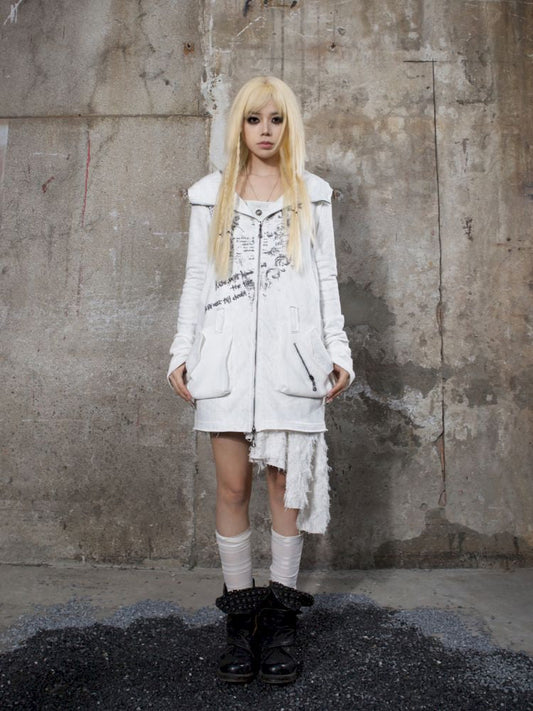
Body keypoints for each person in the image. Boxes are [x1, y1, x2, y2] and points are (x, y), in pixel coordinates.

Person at [167, 76, 354, 685]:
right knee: (231, 490)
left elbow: (326, 279)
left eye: (276, 119)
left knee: (284, 491)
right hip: (223, 363)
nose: (265, 131)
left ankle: (279, 622)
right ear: (240, 126)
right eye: (254, 120)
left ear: (288, 125)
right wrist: (181, 351)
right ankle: (240, 621)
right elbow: (197, 279)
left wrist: (338, 351)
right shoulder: (211, 196)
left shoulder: (312, 195)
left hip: (291, 364)